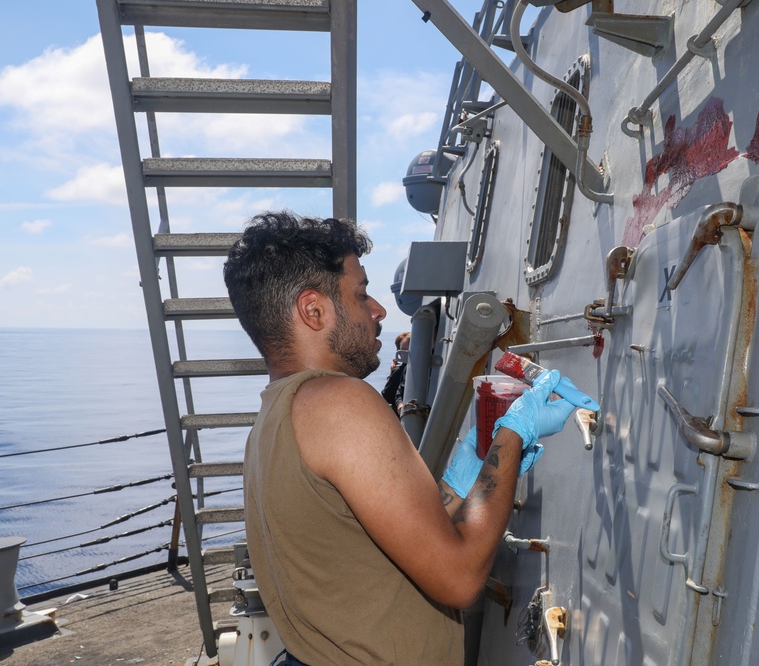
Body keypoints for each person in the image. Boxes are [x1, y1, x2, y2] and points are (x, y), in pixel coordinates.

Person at [223, 211, 576, 665]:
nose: (378, 311)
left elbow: (391, 542)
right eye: (361, 294)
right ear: (313, 310)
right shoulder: (339, 404)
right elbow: (461, 576)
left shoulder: (276, 417)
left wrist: (469, 473)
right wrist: (512, 434)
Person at [380, 331, 410, 416]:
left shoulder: (400, 369)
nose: (404, 354)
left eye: (408, 351)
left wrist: (392, 373)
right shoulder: (401, 368)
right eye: (402, 351)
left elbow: (387, 396)